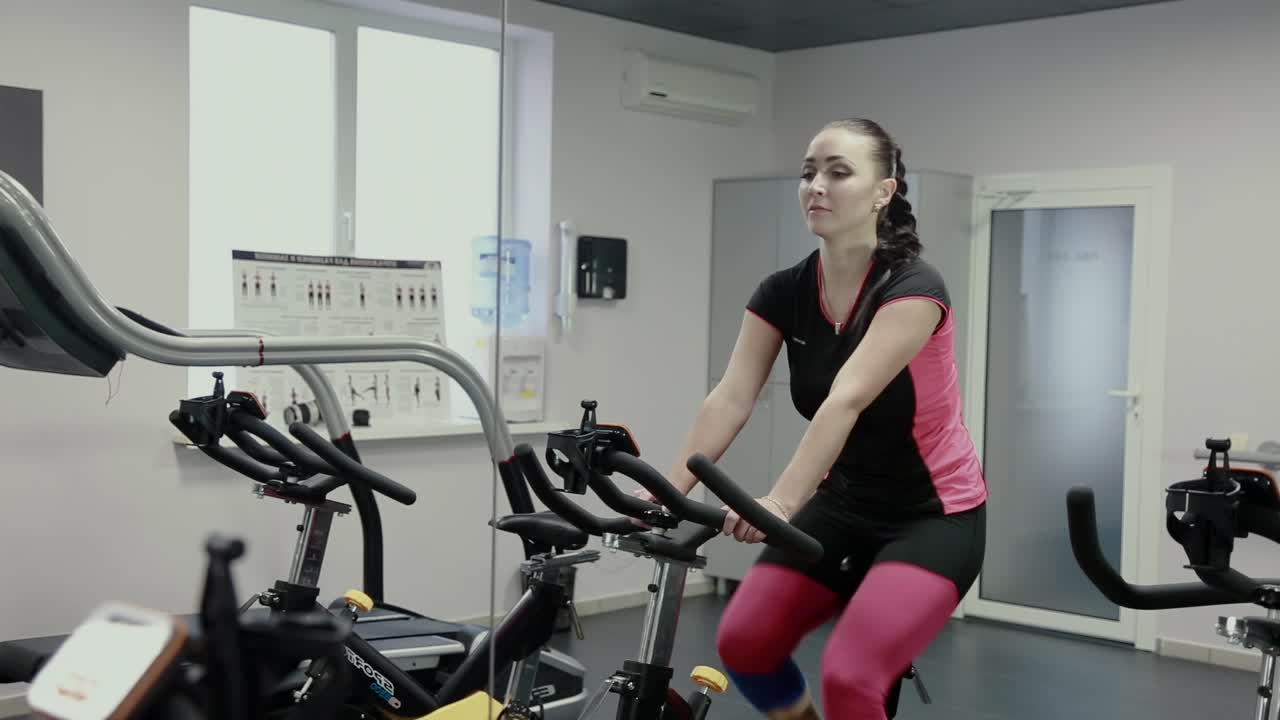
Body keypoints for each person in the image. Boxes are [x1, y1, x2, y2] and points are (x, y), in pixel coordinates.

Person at [660, 118, 988, 720]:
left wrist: (780, 504)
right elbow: (732, 396)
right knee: (746, 643)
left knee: (850, 677)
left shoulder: (913, 288)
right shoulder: (783, 291)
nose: (817, 185)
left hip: (932, 514)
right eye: (809, 172)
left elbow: (846, 400)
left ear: (883, 192)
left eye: (839, 173)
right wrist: (666, 491)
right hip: (845, 502)